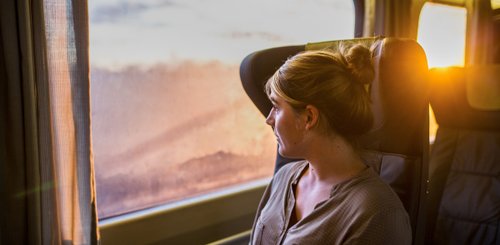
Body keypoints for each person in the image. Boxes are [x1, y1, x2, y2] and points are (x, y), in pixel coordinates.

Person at [249, 43, 412, 245]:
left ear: (309, 117)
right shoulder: (285, 177)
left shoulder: (377, 213)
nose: (269, 119)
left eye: (276, 107)